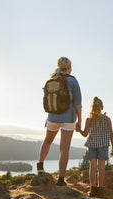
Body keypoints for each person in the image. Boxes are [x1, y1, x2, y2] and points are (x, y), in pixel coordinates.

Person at [37, 57, 82, 186]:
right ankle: (61, 179)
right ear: (69, 68)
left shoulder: (52, 79)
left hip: (52, 117)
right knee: (64, 148)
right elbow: (78, 104)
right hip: (68, 119)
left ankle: (40, 165)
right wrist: (80, 121)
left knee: (47, 141)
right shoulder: (73, 81)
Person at [78, 97, 113, 198]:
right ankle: (100, 191)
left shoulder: (89, 119)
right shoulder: (107, 119)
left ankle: (92, 190)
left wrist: (79, 130)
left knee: (92, 168)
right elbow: (111, 134)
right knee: (101, 169)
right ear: (102, 107)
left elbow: (85, 134)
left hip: (92, 145)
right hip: (103, 146)